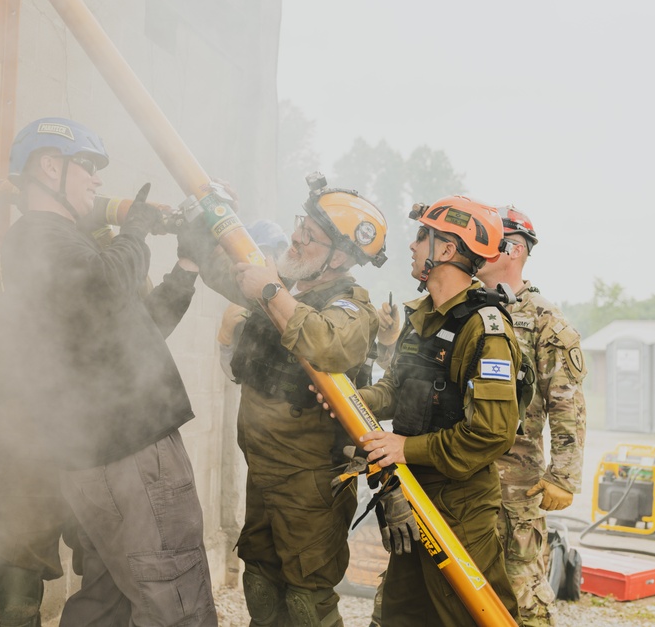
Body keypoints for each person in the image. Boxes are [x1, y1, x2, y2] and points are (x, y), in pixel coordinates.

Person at [0, 117, 216, 626]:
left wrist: (187, 267)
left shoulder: (68, 245)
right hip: (127, 448)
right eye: (87, 167)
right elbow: (107, 285)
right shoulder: (38, 237)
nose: (95, 180)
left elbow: (139, 329)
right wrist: (133, 230)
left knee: (111, 601)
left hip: (107, 454)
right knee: (176, 600)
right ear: (49, 166)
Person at [195, 173, 387, 627]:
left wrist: (268, 289)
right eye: (302, 224)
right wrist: (214, 214)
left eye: (312, 235)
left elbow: (328, 345)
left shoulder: (351, 307)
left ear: (340, 256)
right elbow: (213, 265)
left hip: (312, 481)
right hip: (263, 467)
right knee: (260, 582)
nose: (297, 236)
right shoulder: (282, 283)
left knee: (307, 601)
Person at [353, 195, 522, 626]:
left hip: (459, 508)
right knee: (400, 615)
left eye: (421, 237)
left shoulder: (486, 330)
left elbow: (490, 433)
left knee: (471, 615)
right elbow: (396, 387)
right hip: (411, 496)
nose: (412, 246)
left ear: (445, 250)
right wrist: (353, 401)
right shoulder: (422, 316)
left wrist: (406, 448)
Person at [475, 205, 586, 627]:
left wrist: (563, 476)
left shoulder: (544, 320)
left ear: (514, 249)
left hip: (515, 483)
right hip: (458, 470)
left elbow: (567, 402)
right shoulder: (466, 306)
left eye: (487, 239)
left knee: (522, 592)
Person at [215, 220, 290, 380]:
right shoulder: (239, 306)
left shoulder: (292, 297)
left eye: (275, 254)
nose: (269, 260)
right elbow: (233, 375)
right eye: (264, 253)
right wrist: (226, 340)